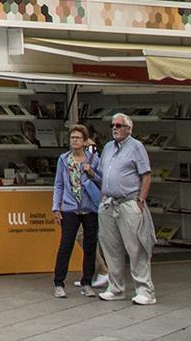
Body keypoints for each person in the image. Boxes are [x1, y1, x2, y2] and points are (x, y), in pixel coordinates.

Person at [96, 111, 155, 306]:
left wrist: (141, 200)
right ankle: (115, 288)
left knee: (136, 247)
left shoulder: (136, 147)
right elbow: (103, 173)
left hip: (129, 201)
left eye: (119, 125)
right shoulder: (108, 147)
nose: (115, 128)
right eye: (113, 125)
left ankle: (145, 291)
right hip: (108, 202)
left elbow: (146, 175)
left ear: (128, 129)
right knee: (111, 247)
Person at [51, 123, 101, 299]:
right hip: (70, 207)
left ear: (85, 141)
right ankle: (59, 283)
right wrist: (56, 206)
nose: (74, 141)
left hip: (89, 207)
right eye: (72, 137)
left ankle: (87, 282)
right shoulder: (64, 159)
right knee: (66, 245)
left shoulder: (93, 159)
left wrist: (91, 172)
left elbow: (102, 180)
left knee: (90, 245)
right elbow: (59, 184)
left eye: (78, 138)